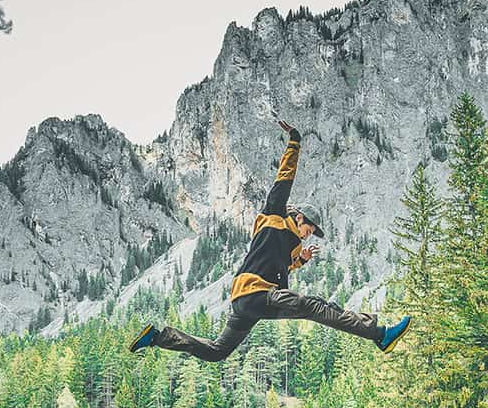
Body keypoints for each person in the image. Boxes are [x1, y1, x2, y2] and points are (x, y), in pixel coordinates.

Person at [129, 119, 411, 362]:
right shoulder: (273, 215)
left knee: (217, 351)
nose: (309, 234)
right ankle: (379, 334)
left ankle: (157, 337)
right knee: (316, 307)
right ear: (299, 218)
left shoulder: (291, 245)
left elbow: (278, 265)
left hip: (246, 302)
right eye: (310, 228)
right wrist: (295, 142)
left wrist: (299, 260)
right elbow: (283, 179)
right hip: (256, 293)